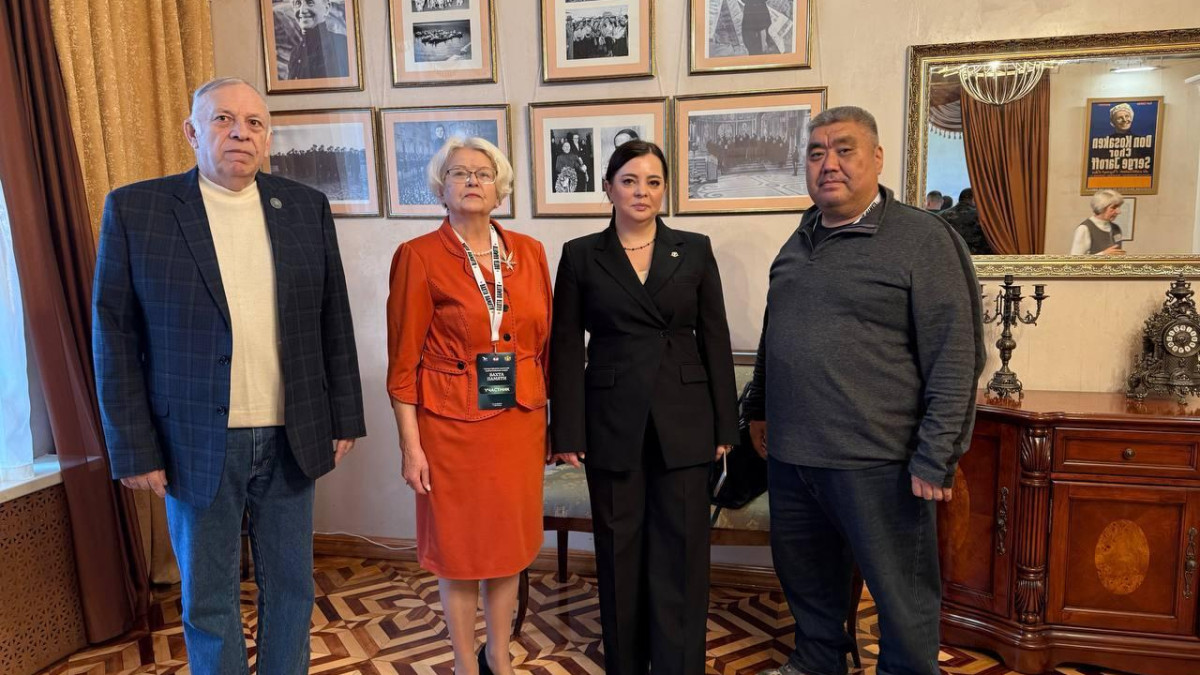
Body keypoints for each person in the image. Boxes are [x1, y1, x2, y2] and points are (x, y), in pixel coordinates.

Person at [93, 77, 365, 675]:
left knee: (291, 588)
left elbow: (333, 317)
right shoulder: (138, 210)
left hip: (292, 433)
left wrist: (344, 416)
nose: (240, 132)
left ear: (267, 138)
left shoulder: (304, 207)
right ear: (192, 132)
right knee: (209, 598)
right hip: (192, 440)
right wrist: (134, 447)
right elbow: (114, 336)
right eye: (223, 119)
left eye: (253, 123)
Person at [744, 106, 985, 675]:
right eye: (816, 152)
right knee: (807, 582)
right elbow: (776, 334)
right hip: (794, 457)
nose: (828, 163)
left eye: (844, 149)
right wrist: (757, 407)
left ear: (877, 158)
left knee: (902, 597)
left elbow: (956, 354)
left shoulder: (924, 239)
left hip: (879, 460)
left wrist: (937, 455)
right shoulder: (798, 239)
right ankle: (817, 662)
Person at [549, 140, 738, 675]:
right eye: (630, 180)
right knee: (619, 549)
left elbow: (715, 337)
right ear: (608, 188)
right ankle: (626, 664)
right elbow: (566, 346)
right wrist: (567, 431)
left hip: (686, 418)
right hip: (612, 420)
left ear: (664, 190)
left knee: (682, 549)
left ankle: (679, 665)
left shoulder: (694, 249)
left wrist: (725, 425)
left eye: (653, 182)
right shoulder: (581, 254)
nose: (642, 192)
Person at [387, 137, 552, 675]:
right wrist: (411, 447)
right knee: (458, 552)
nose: (473, 181)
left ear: (500, 189)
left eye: (483, 173)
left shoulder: (530, 252)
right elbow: (403, 365)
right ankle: (463, 663)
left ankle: (498, 658)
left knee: (508, 547)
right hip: (450, 430)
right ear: (442, 188)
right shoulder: (418, 256)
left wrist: (552, 424)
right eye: (459, 173)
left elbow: (546, 346)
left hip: (520, 423)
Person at [286, 0, 350, 80]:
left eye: (310, 2)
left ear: (326, 8)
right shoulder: (296, 53)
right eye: (298, 3)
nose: (302, 10)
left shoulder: (341, 44)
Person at [1070, 189, 1126, 255]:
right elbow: (1075, 259)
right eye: (1113, 207)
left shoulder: (1116, 228)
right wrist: (1103, 254)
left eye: (1118, 207)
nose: (1118, 212)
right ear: (1101, 207)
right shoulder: (1084, 229)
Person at [940, 188, 993, 255]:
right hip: (976, 256)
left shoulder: (942, 215)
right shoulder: (980, 215)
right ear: (974, 199)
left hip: (951, 254)